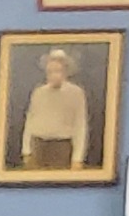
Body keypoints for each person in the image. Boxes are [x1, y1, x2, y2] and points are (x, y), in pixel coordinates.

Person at [16, 42, 91, 170]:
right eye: (50, 72)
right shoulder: (39, 92)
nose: (54, 75)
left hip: (61, 148)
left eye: (58, 71)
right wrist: (26, 151)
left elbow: (80, 125)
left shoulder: (76, 93)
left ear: (66, 72)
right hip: (38, 146)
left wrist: (77, 158)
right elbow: (30, 121)